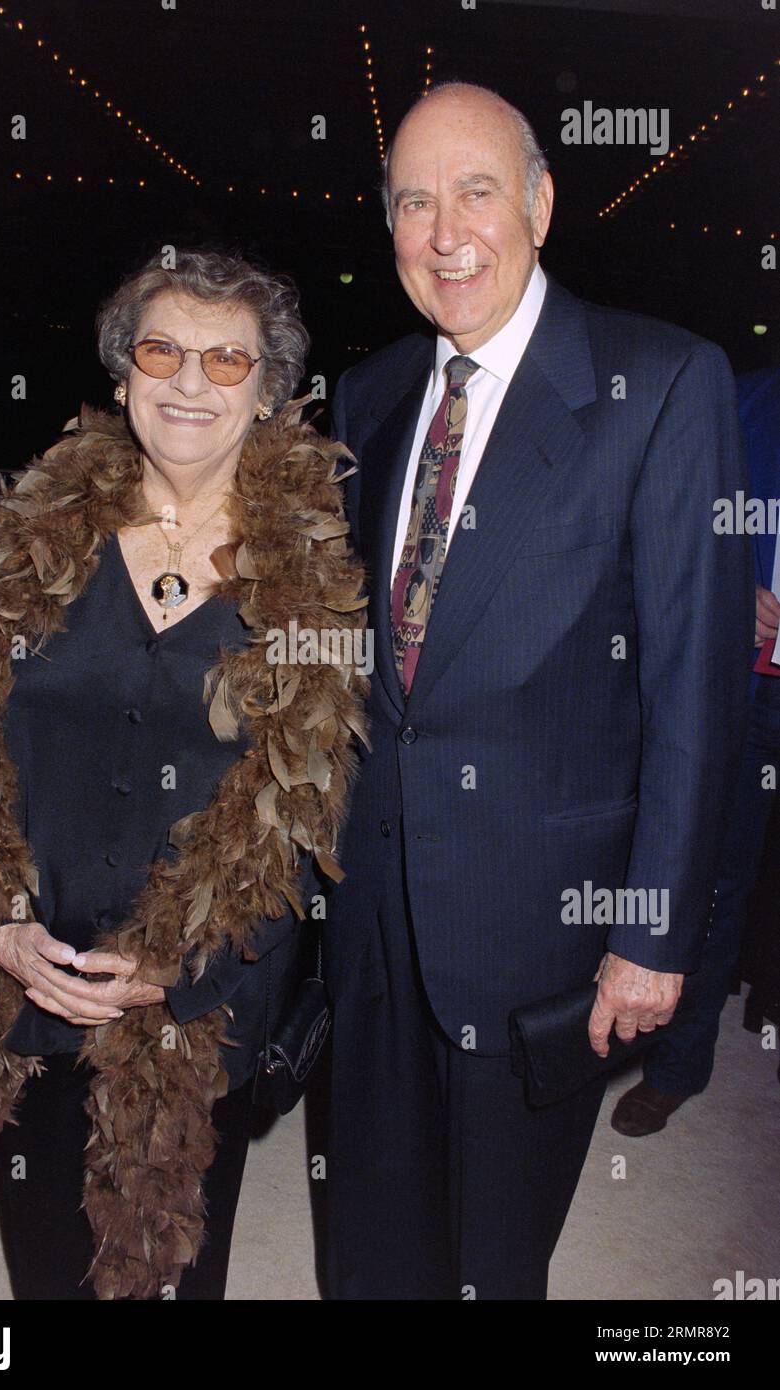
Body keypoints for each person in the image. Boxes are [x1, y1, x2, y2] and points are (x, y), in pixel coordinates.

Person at [323, 82, 752, 1300]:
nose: (445, 231)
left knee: (493, 1263)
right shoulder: (373, 394)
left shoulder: (662, 384)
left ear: (543, 204)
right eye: (414, 200)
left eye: (476, 191)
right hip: (374, 917)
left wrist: (654, 935)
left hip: (541, 931)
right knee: (368, 1244)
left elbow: (695, 694)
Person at [0, 248, 366, 1300]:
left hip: (198, 1005)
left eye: (226, 358)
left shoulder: (314, 575)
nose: (191, 381)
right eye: (163, 350)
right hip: (33, 974)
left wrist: (186, 968)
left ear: (269, 391)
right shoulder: (29, 538)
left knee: (172, 1272)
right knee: (46, 1267)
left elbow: (304, 810)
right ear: (122, 376)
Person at [613, 365, 780, 1134]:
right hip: (746, 695)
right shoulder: (736, 398)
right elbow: (654, 519)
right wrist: (724, 587)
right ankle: (679, 1063)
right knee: (712, 880)